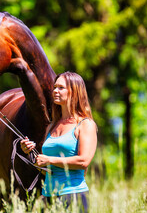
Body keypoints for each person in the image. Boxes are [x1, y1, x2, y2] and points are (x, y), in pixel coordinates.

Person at [21, 71, 97, 212]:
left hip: (73, 196)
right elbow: (46, 171)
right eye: (55, 87)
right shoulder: (52, 125)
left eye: (61, 88)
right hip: (48, 197)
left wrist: (49, 159)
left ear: (74, 91)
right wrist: (30, 154)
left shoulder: (86, 124)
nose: (55, 91)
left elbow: (83, 161)